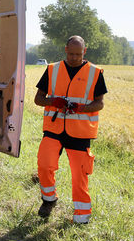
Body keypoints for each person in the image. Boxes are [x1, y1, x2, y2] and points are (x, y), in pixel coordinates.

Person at [34, 36, 107, 224]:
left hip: (80, 133)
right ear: (65, 49)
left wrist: (81, 108)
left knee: (80, 175)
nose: (75, 57)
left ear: (85, 51)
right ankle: (49, 200)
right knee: (44, 165)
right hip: (54, 128)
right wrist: (53, 101)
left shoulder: (95, 72)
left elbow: (99, 103)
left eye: (79, 54)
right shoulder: (52, 70)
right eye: (71, 53)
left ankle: (82, 217)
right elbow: (38, 99)